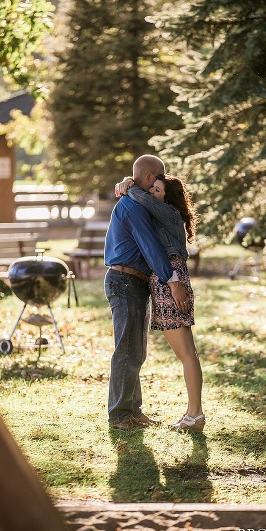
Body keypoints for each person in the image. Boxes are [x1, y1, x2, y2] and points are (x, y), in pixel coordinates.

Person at [104, 155, 189, 431]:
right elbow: (151, 247)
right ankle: (120, 415)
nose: (162, 180)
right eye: (161, 175)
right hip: (125, 280)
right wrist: (173, 281)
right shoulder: (133, 208)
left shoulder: (136, 200)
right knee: (127, 350)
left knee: (134, 350)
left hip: (133, 282)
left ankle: (132, 410)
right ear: (151, 177)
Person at [116, 174, 205, 431]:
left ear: (167, 197)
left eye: (156, 190)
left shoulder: (167, 212)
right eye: (152, 189)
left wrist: (128, 184)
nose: (152, 193)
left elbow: (140, 197)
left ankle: (195, 414)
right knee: (186, 353)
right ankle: (192, 413)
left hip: (171, 280)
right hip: (167, 279)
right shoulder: (165, 215)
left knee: (186, 354)